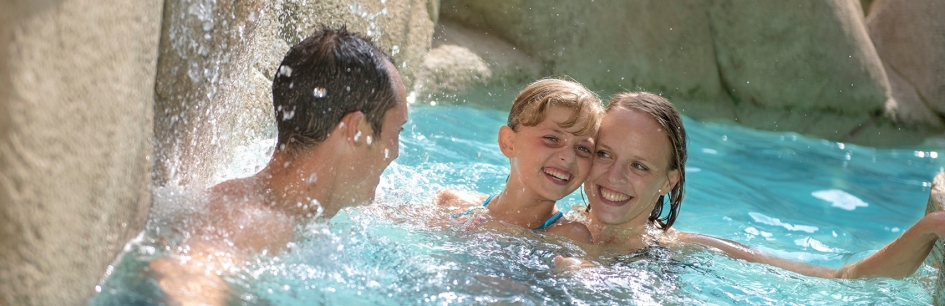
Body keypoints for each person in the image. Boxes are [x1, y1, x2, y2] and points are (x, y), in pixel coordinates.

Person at [556, 91, 945, 279]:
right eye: (604, 154)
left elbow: (845, 279)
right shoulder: (551, 223)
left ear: (668, 180)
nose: (613, 177)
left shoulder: (682, 251)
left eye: (639, 166)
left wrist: (930, 226)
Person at [149, 26, 408, 304]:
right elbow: (186, 276)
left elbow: (391, 215)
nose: (395, 151)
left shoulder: (295, 206)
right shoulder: (250, 221)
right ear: (356, 129)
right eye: (398, 131)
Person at [436, 78, 604, 242]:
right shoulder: (451, 204)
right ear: (509, 142)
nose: (568, 158)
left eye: (583, 149)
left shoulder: (569, 237)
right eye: (552, 138)